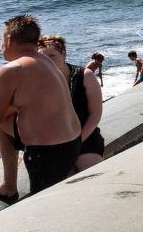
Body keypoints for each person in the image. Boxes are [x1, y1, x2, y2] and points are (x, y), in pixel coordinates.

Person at [0, 15, 81, 203]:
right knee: (6, 124)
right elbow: (17, 107)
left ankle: (11, 188)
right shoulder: (45, 61)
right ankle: (8, 186)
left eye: (1, 41)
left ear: (8, 40)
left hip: (47, 153)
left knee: (42, 205)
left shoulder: (11, 69)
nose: (0, 47)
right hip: (72, 143)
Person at [40, 34, 105, 173]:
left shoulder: (85, 76)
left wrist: (78, 141)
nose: (47, 61)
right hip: (54, 140)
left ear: (63, 54)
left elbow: (95, 114)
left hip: (85, 136)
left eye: (52, 56)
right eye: (42, 57)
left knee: (92, 173)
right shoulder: (38, 80)